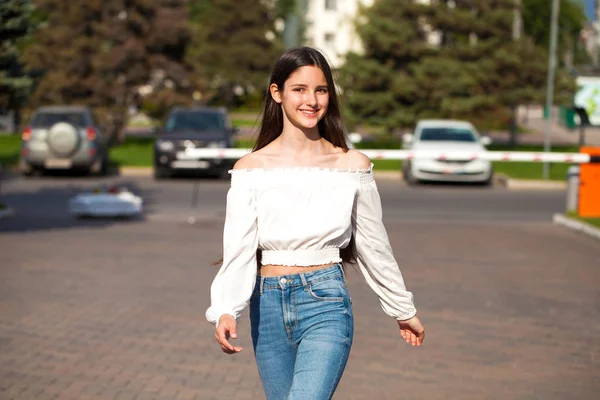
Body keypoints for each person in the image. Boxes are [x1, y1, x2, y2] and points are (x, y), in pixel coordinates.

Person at [206, 46, 425, 400]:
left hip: (325, 302)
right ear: (277, 93)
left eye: (321, 90)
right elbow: (239, 250)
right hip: (267, 306)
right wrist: (226, 310)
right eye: (300, 89)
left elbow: (373, 245)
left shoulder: (351, 166)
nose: (311, 100)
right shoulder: (251, 170)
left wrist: (402, 308)